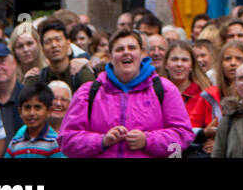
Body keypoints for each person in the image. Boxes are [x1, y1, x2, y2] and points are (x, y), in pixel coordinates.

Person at [60, 28, 193, 159]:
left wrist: (148, 140)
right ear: (110, 57)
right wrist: (101, 141)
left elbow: (183, 137)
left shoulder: (165, 89)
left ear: (142, 54)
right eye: (119, 49)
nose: (126, 52)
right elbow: (66, 141)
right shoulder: (88, 92)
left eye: (131, 48)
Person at [164, 38, 220, 130]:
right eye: (174, 59)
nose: (179, 64)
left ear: (192, 65)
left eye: (184, 60)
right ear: (166, 64)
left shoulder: (203, 94)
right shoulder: (156, 91)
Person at [4, 82, 65, 159]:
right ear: (20, 111)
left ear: (49, 111)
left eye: (38, 107)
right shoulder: (16, 141)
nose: (32, 113)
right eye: (27, 107)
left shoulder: (54, 143)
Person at [37, 20, 96, 92]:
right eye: (48, 42)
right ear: (42, 49)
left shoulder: (81, 74)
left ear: (68, 43)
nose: (54, 45)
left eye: (58, 40)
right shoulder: (39, 78)